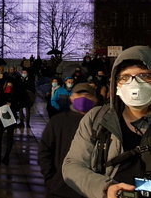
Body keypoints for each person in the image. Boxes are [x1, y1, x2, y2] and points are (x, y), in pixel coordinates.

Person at [62, 46, 151, 198]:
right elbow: (73, 165)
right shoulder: (97, 118)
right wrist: (105, 188)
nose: (134, 83)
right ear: (116, 85)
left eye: (144, 76)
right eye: (125, 77)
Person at [39, 83, 98, 198]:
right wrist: (50, 179)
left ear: (95, 99)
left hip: (89, 190)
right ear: (71, 98)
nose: (83, 98)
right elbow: (44, 151)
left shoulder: (100, 123)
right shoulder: (58, 121)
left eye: (87, 95)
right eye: (79, 94)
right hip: (59, 188)